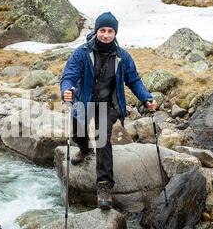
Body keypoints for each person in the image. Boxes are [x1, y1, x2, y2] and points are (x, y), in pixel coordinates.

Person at [60, 12, 157, 210]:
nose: (105, 35)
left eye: (110, 31)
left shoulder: (122, 56)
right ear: (96, 31)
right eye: (102, 30)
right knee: (78, 131)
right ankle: (85, 149)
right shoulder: (82, 53)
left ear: (115, 33)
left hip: (109, 104)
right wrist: (66, 90)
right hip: (84, 100)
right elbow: (69, 76)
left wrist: (146, 97)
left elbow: (134, 80)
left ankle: (104, 186)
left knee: (102, 135)